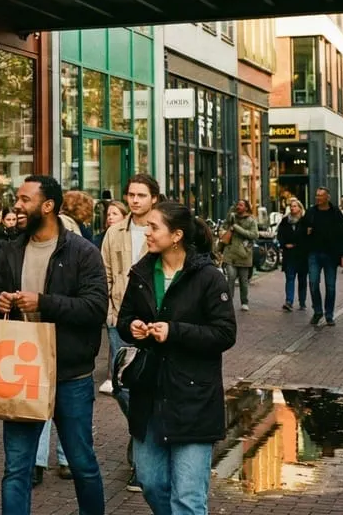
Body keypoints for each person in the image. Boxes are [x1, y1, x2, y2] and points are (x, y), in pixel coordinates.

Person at [0, 175, 108, 515]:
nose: (17, 205)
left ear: (48, 206)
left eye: (25, 200)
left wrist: (43, 302)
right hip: (22, 372)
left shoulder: (82, 251)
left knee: (82, 463)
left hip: (70, 374)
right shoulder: (12, 248)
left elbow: (95, 308)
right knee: (16, 468)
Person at [117, 200, 237, 515]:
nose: (147, 232)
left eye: (154, 227)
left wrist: (175, 332)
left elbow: (225, 334)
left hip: (193, 395)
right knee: (151, 481)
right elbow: (124, 318)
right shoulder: (142, 271)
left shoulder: (208, 276)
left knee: (188, 496)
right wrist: (133, 327)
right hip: (150, 394)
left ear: (177, 235)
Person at [100, 173, 161, 492]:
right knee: (121, 383)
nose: (134, 200)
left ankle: (141, 457)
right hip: (120, 318)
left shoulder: (161, 229)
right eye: (130, 194)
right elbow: (105, 271)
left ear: (154, 198)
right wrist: (110, 310)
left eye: (141, 195)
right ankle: (140, 430)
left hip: (153, 321)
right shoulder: (114, 233)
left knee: (145, 383)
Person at [303, 187, 343, 327]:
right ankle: (318, 310)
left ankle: (329, 314)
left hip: (331, 254)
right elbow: (302, 229)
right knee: (313, 282)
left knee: (330, 286)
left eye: (320, 196)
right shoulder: (311, 212)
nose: (317, 198)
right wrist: (306, 232)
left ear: (327, 197)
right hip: (314, 253)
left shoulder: (335, 213)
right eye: (316, 195)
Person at [220, 200, 259, 311]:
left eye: (241, 205)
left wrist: (237, 228)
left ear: (246, 208)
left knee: (243, 281)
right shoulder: (232, 218)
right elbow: (224, 227)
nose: (238, 207)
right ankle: (229, 302)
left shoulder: (251, 220)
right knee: (231, 277)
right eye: (237, 205)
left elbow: (254, 235)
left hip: (244, 254)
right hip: (230, 252)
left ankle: (244, 302)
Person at [277, 198, 309, 312]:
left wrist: (298, 245)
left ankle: (302, 302)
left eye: (295, 206)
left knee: (302, 279)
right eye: (291, 206)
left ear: (300, 208)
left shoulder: (305, 221)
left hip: (302, 255)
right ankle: (289, 301)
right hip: (289, 254)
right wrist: (284, 244)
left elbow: (308, 237)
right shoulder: (285, 221)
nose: (292, 208)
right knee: (290, 278)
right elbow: (280, 234)